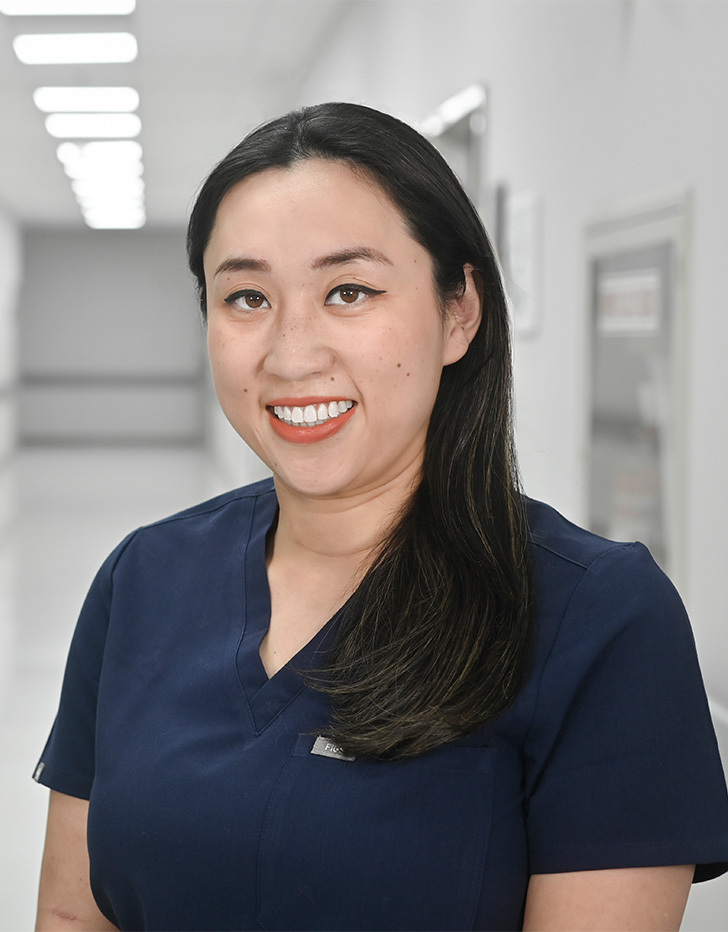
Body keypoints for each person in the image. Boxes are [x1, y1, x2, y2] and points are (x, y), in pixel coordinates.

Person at [34, 102, 728, 932]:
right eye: (246, 297)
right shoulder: (144, 578)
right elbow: (76, 915)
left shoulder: (601, 621)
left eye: (349, 291)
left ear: (459, 311)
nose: (291, 354)